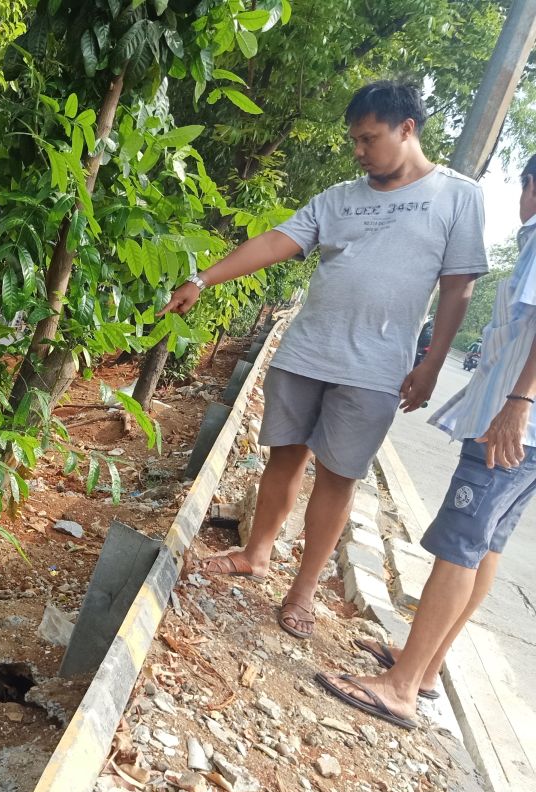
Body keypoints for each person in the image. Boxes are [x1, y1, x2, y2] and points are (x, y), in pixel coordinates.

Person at [160, 80, 486, 638]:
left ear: (407, 129)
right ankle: (255, 554)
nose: (359, 151)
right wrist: (202, 278)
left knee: (339, 478)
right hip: (308, 351)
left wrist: (429, 364)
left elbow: (458, 289)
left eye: (369, 138)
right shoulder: (339, 197)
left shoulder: (459, 196)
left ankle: (303, 591)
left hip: (376, 369)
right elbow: (276, 241)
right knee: (284, 457)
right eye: (354, 140)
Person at [316, 155, 536, 729]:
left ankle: (400, 686)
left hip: (513, 427)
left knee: (460, 545)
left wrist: (518, 403)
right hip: (525, 433)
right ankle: (426, 667)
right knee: (485, 546)